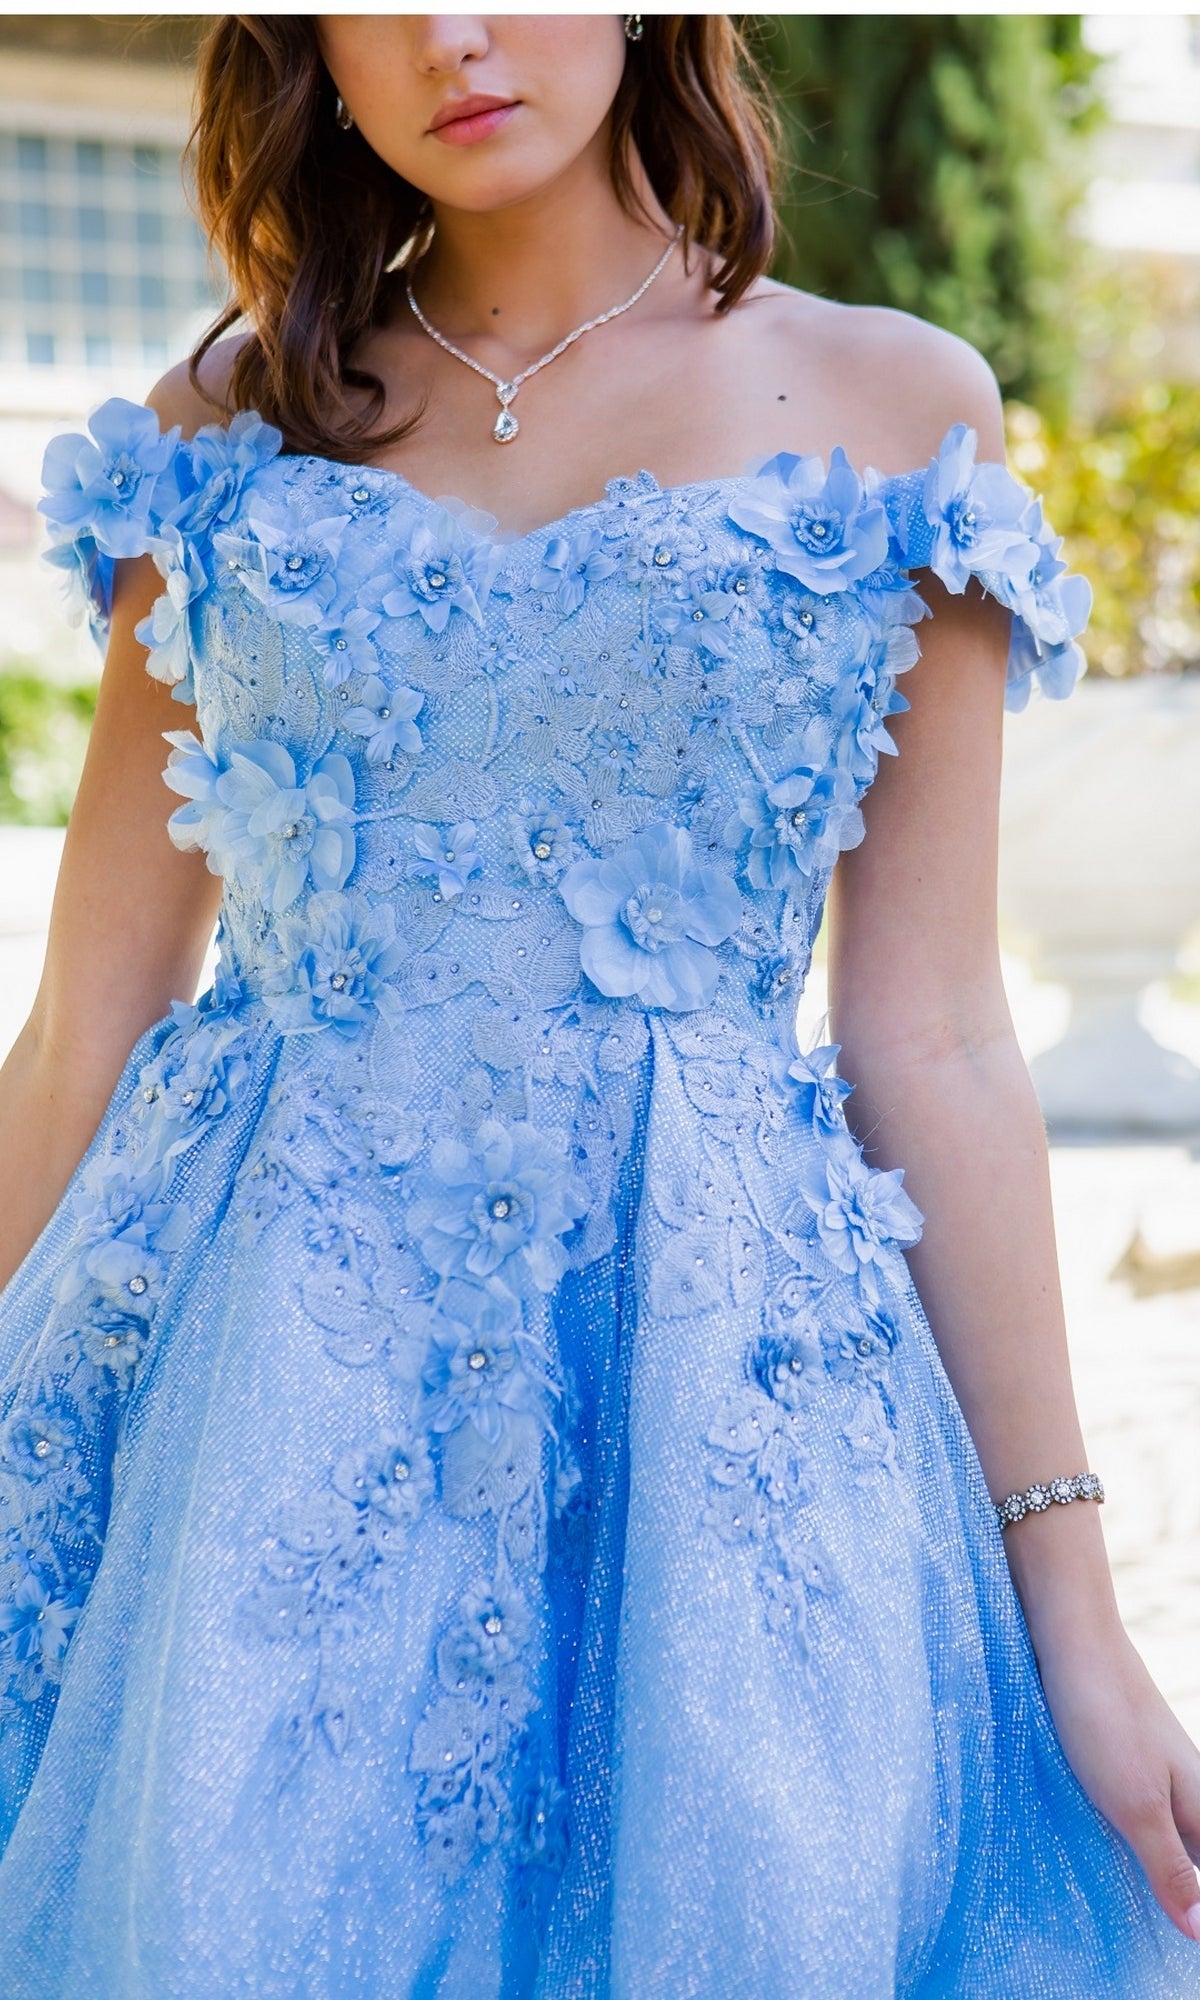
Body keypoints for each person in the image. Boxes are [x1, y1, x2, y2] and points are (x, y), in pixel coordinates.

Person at [0, 14, 1196, 1996]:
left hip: (719, 1403)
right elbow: (95, 1000)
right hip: (264, 1401)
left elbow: (941, 1037)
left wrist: (1073, 1598)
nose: (446, 37)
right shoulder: (222, 422)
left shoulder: (896, 406)